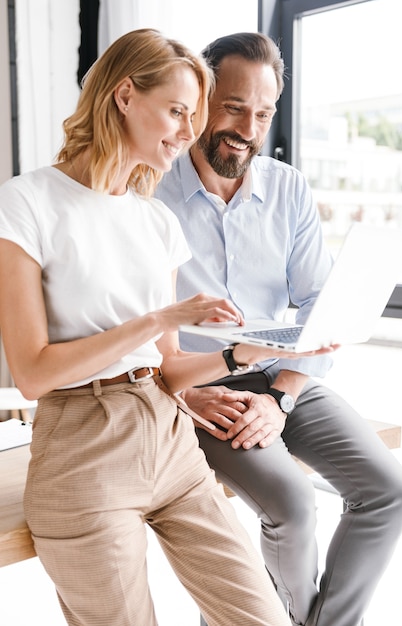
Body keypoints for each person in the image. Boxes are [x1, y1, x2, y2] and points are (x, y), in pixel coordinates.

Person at [0, 29, 337, 626]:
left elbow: (172, 369)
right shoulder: (26, 203)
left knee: (261, 616)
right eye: (178, 112)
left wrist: (247, 353)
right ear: (125, 95)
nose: (189, 134)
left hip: (170, 435)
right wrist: (159, 318)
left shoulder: (156, 221)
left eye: (195, 116)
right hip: (83, 448)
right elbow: (31, 373)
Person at [155, 32, 402, 626]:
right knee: (294, 506)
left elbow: (319, 305)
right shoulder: (151, 189)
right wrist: (185, 394)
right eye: (233, 106)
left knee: (391, 494)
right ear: (199, 97)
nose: (248, 127)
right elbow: (128, 322)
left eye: (264, 112)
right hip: (200, 391)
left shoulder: (287, 188)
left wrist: (281, 396)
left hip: (281, 377)